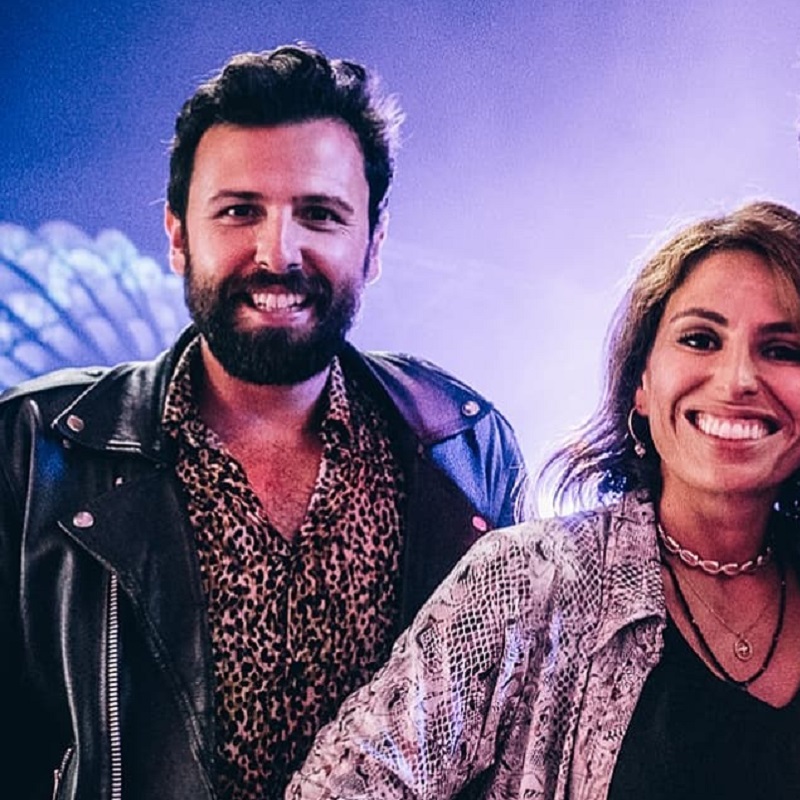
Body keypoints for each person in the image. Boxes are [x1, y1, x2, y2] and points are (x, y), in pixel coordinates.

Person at [0, 43, 526, 800]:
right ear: (178, 236)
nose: (278, 252)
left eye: (319, 214)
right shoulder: (31, 451)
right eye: (239, 211)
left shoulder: (469, 449)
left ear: (374, 246)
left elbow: (511, 749)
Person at [286, 200, 800, 800]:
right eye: (700, 339)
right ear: (641, 384)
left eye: (783, 350)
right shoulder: (529, 579)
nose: (738, 379)